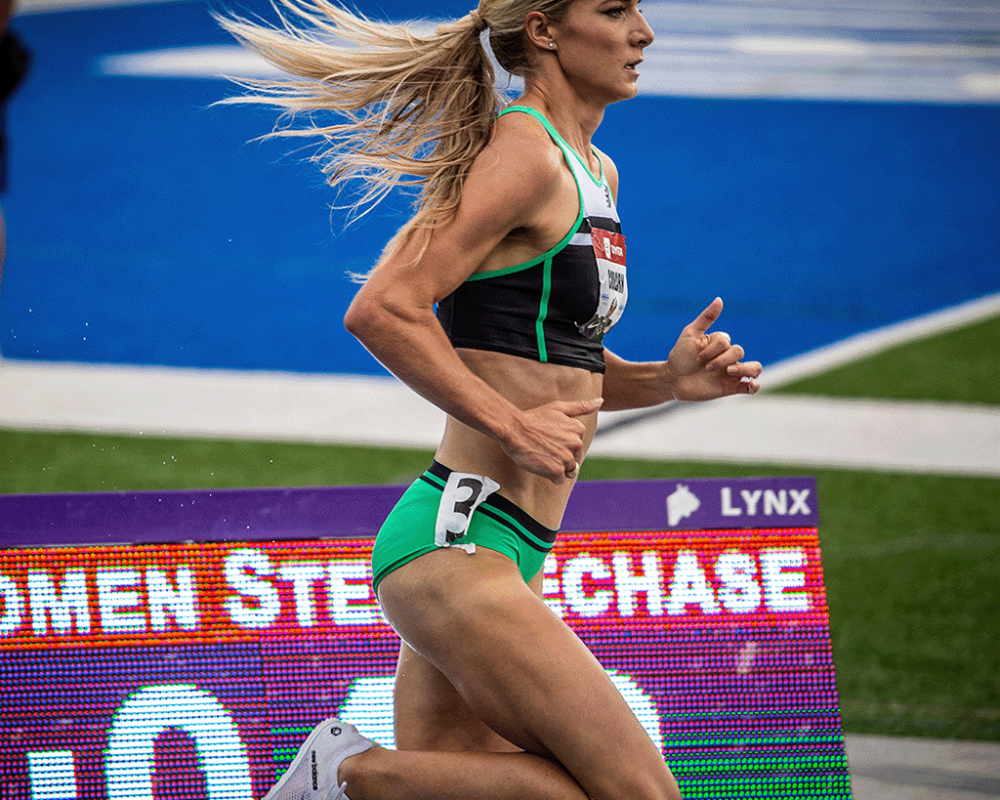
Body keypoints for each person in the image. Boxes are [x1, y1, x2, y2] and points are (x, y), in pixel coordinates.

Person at [218, 0, 762, 798]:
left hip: (508, 546)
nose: (643, 33)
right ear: (544, 30)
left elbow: (552, 363)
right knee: (640, 793)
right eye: (615, 11)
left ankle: (361, 782)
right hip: (459, 543)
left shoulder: (594, 169)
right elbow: (384, 307)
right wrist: (508, 423)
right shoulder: (523, 153)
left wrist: (666, 382)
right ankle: (345, 773)